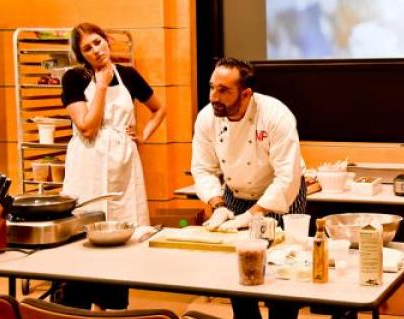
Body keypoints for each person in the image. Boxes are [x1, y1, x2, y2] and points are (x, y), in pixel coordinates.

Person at [58, 22, 166, 310]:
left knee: (122, 236)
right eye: (87, 48)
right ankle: (76, 308)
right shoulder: (73, 78)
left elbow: (159, 108)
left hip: (123, 163)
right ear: (81, 55)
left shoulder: (128, 74)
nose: (96, 50)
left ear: (107, 40)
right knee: (85, 232)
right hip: (88, 162)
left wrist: (143, 134)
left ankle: (113, 307)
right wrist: (102, 86)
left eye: (98, 42)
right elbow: (87, 126)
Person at [191, 57, 307, 319]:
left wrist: (255, 214)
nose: (213, 96)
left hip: (280, 194)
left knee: (281, 270)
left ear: (246, 94)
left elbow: (286, 177)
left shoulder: (276, 115)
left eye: (223, 90)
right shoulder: (207, 118)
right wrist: (217, 205)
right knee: (239, 273)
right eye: (212, 87)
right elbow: (203, 169)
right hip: (235, 194)